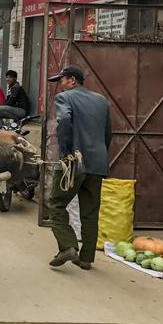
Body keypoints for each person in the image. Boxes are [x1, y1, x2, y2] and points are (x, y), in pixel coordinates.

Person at [46, 65, 112, 271]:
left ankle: (68, 246)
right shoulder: (101, 101)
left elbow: (64, 121)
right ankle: (86, 259)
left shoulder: (65, 98)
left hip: (73, 162)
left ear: (72, 80)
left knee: (56, 204)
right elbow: (107, 133)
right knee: (90, 213)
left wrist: (66, 152)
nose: (59, 85)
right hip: (97, 163)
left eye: (61, 80)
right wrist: (100, 155)